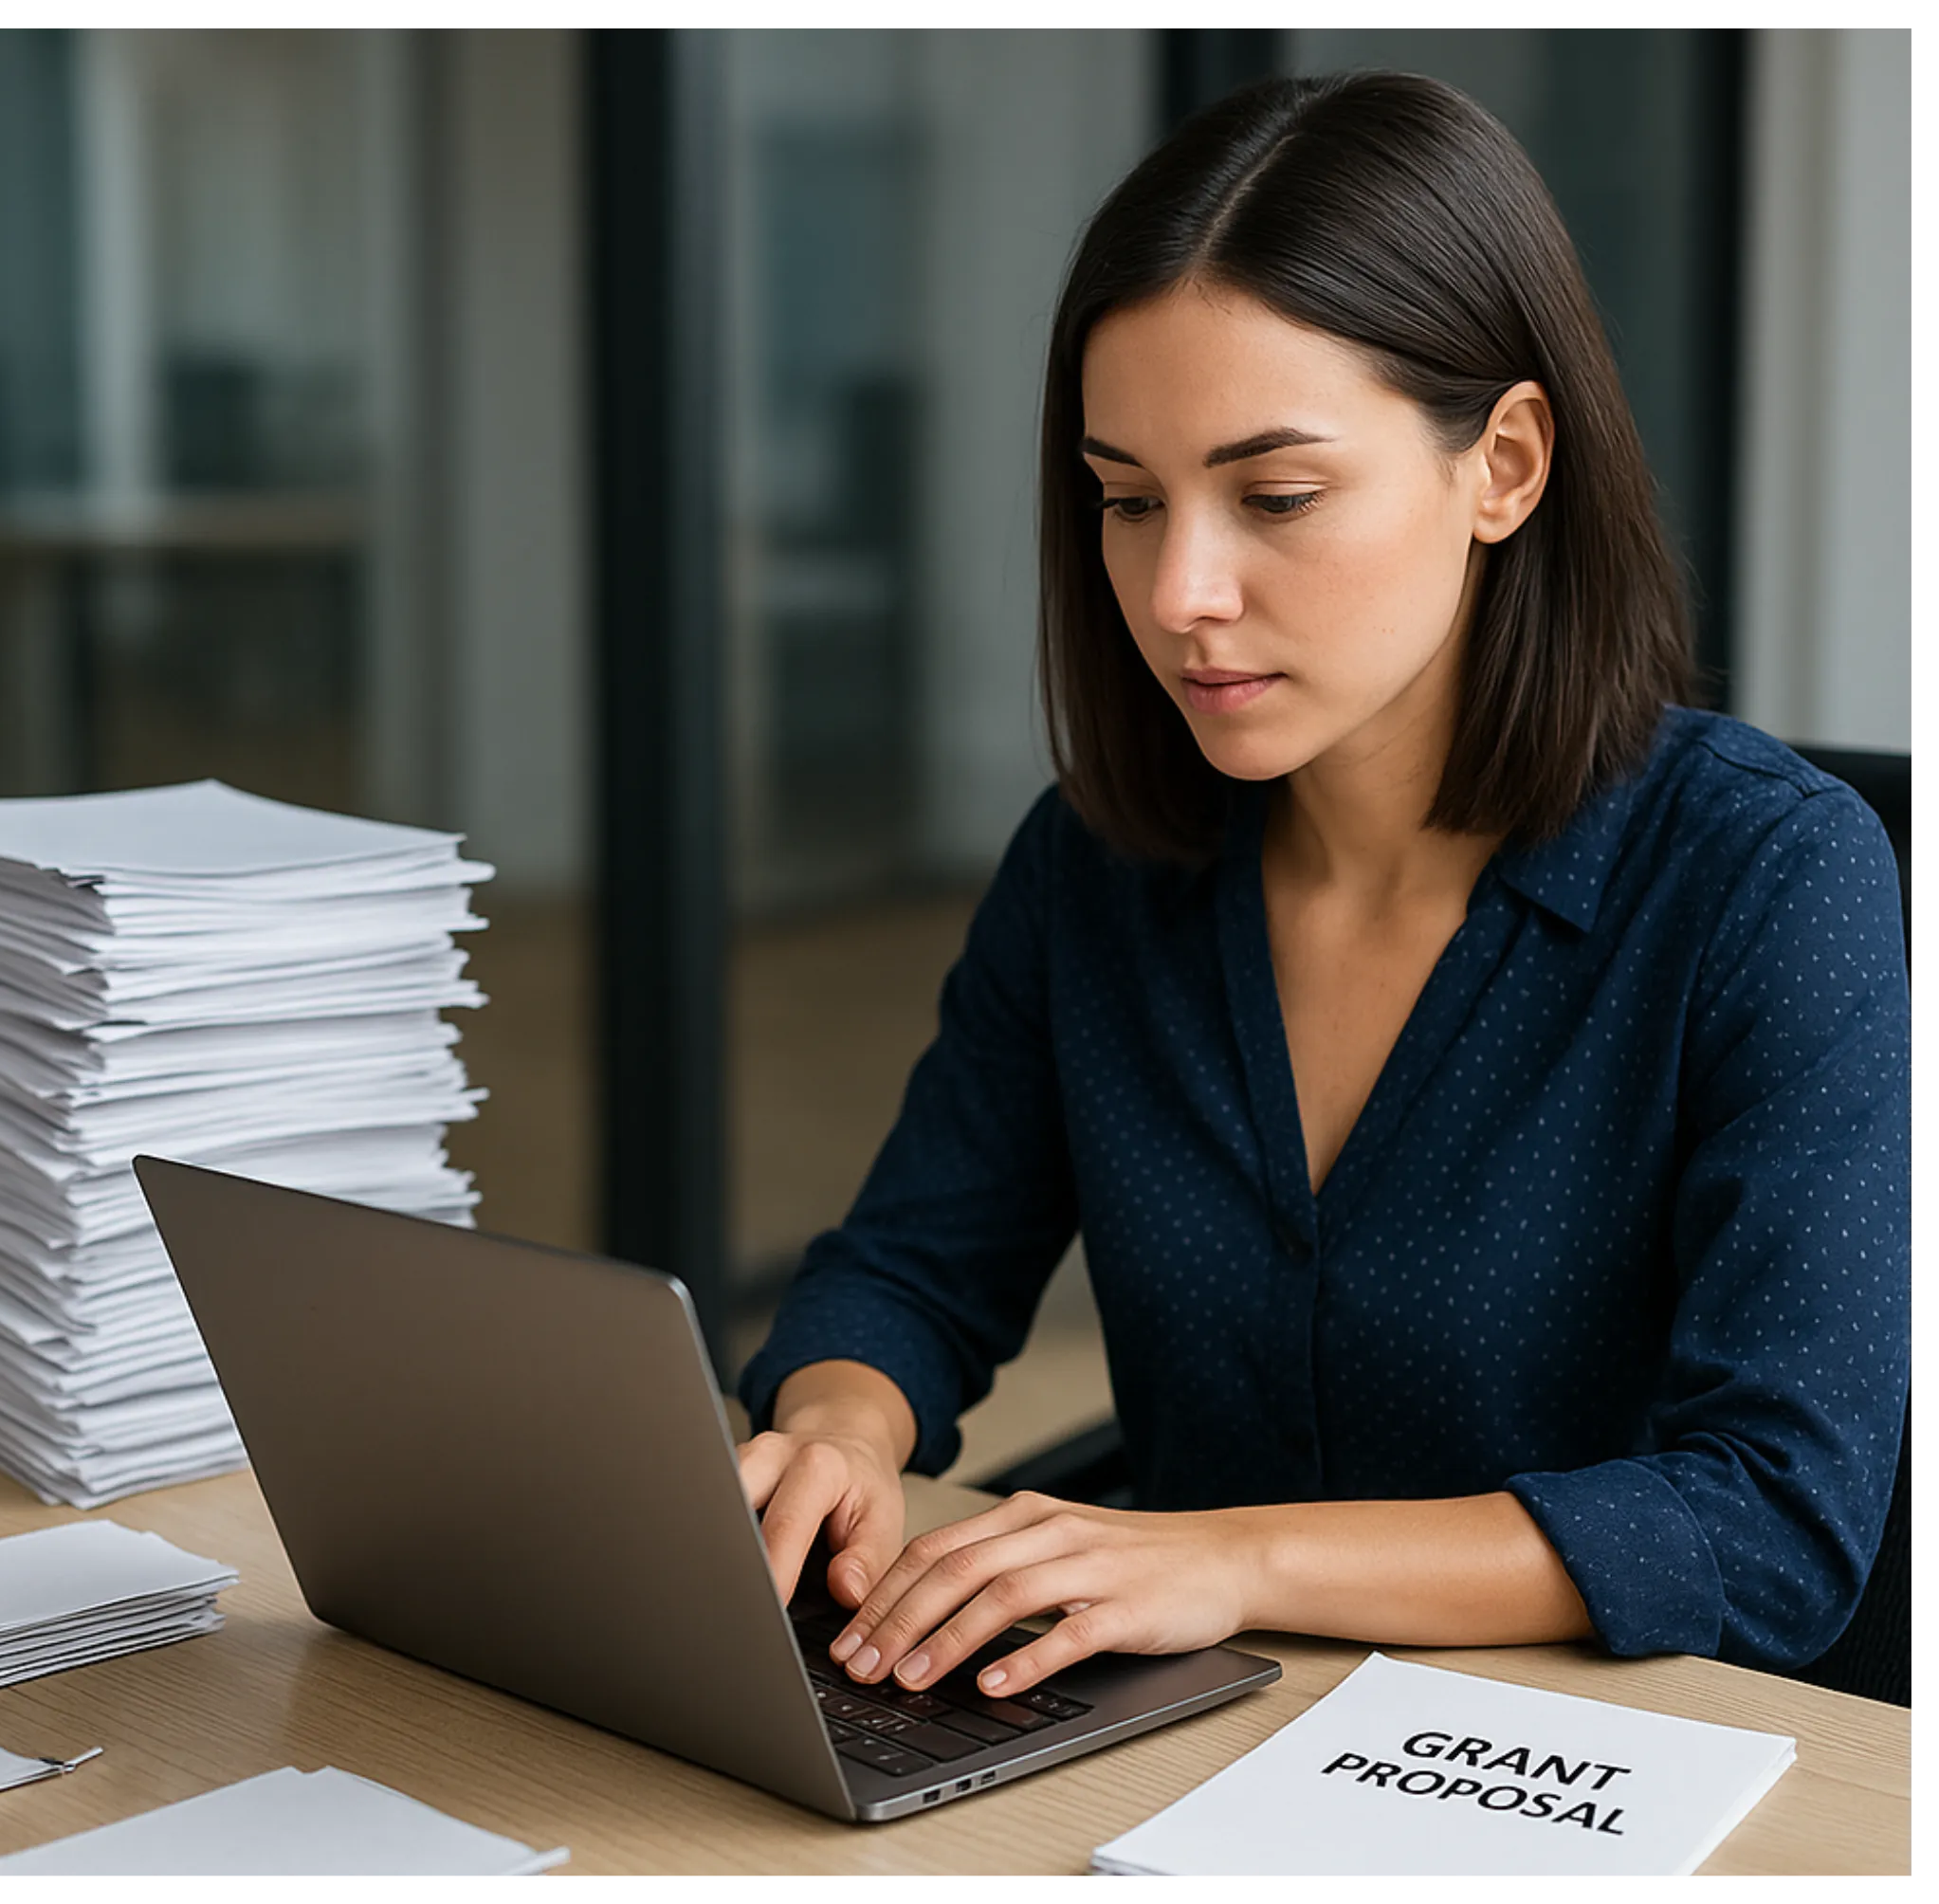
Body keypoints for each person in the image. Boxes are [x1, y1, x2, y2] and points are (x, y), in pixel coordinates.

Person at [734, 71, 1911, 1707]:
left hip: (1606, 1765)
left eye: (1273, 497)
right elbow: (912, 1269)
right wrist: (837, 1430)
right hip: (1190, 1735)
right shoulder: (1102, 864)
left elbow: (1776, 1519)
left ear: (1502, 466)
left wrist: (1230, 1555)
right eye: (1127, 500)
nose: (1178, 592)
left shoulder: (1765, 880)